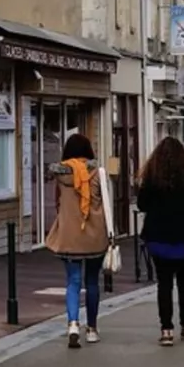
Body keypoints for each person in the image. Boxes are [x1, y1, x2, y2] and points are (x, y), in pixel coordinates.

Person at [136, 136, 184, 347]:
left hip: (158, 236)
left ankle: (166, 329)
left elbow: (142, 204)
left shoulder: (152, 175)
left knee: (164, 283)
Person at [45, 133, 111, 349]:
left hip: (69, 235)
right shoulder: (98, 173)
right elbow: (106, 202)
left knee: (73, 282)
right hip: (95, 236)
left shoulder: (60, 176)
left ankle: (73, 324)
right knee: (92, 282)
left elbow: (57, 202)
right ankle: (91, 329)